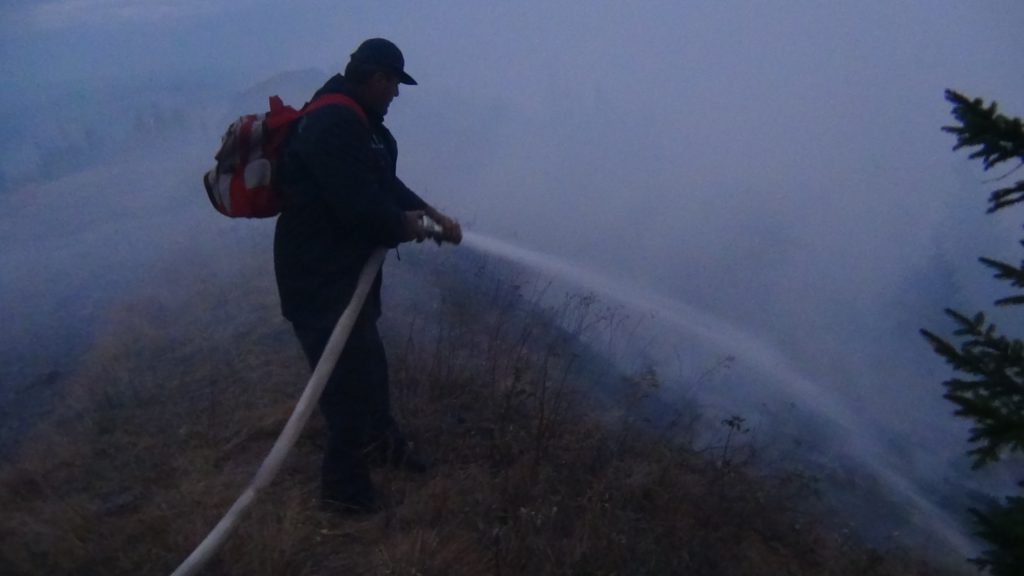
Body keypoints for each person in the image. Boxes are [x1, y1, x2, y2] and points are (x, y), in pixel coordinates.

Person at [274, 38, 462, 513]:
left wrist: (431, 214)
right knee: (345, 386)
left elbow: (382, 183)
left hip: (345, 276)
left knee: (369, 367)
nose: (396, 94)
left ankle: (383, 446)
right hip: (319, 279)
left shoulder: (358, 122)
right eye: (394, 84)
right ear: (378, 78)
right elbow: (359, 207)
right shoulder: (332, 124)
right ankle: (345, 492)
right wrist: (406, 225)